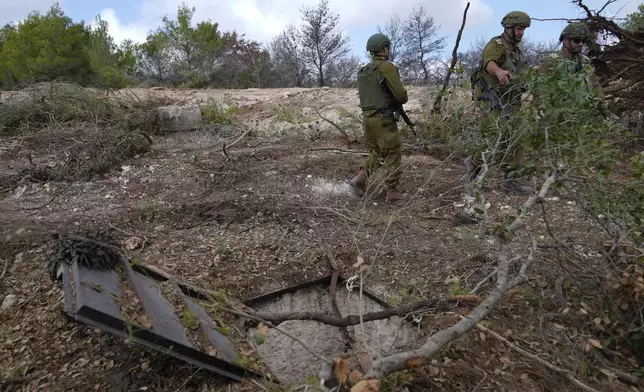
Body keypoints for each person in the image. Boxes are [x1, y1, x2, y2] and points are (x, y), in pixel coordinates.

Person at [466, 11, 533, 195]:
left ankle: (510, 181)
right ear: (508, 28)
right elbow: (490, 63)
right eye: (519, 29)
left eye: (523, 29)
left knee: (515, 137)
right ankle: (473, 173)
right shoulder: (495, 45)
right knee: (491, 137)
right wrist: (499, 72)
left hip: (511, 98)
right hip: (492, 98)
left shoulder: (516, 50)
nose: (521, 33)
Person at [349, 33, 409, 204]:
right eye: (387, 47)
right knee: (392, 152)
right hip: (383, 119)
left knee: (378, 152)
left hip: (367, 119)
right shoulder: (386, 67)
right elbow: (401, 95)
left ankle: (360, 179)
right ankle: (392, 192)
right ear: (383, 48)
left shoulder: (363, 71)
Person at [537, 22, 618, 120]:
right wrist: (544, 110)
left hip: (586, 114)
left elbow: (595, 86)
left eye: (583, 41)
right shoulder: (552, 61)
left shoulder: (585, 61)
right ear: (566, 40)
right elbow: (541, 87)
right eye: (577, 40)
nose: (580, 44)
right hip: (561, 116)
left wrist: (605, 110)